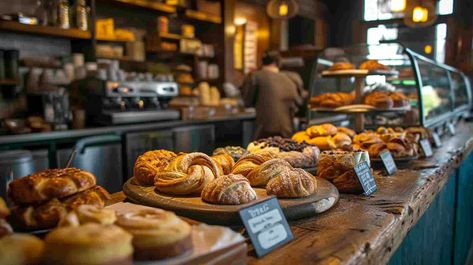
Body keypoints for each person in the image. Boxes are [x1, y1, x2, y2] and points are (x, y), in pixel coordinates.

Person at [241, 51, 305, 139]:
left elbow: (247, 102)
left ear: (261, 62)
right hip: (289, 134)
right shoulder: (293, 77)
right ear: (279, 62)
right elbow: (300, 102)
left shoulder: (254, 77)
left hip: (265, 133)